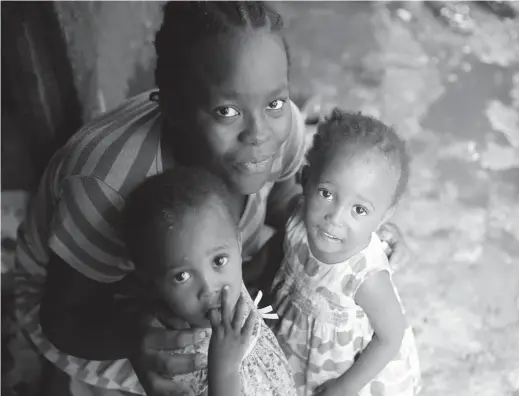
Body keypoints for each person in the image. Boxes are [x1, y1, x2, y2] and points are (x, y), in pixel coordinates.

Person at [14, 2, 408, 395]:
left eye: (273, 102)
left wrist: (341, 221)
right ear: (171, 107)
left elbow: (287, 191)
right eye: (227, 111)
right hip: (96, 309)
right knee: (199, 368)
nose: (258, 134)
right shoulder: (107, 184)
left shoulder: (278, 128)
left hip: (190, 272)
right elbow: (63, 317)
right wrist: (135, 337)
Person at [269, 110, 421, 396]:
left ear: (382, 219)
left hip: (343, 367)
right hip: (296, 339)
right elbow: (281, 251)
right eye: (326, 193)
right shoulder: (297, 218)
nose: (335, 217)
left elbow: (390, 337)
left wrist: (345, 387)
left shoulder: (365, 277)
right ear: (305, 179)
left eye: (359, 210)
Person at [117, 167, 296, 395]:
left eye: (218, 261)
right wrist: (224, 371)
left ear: (238, 244)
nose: (209, 287)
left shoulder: (232, 285)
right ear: (153, 283)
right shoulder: (178, 351)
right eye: (182, 276)